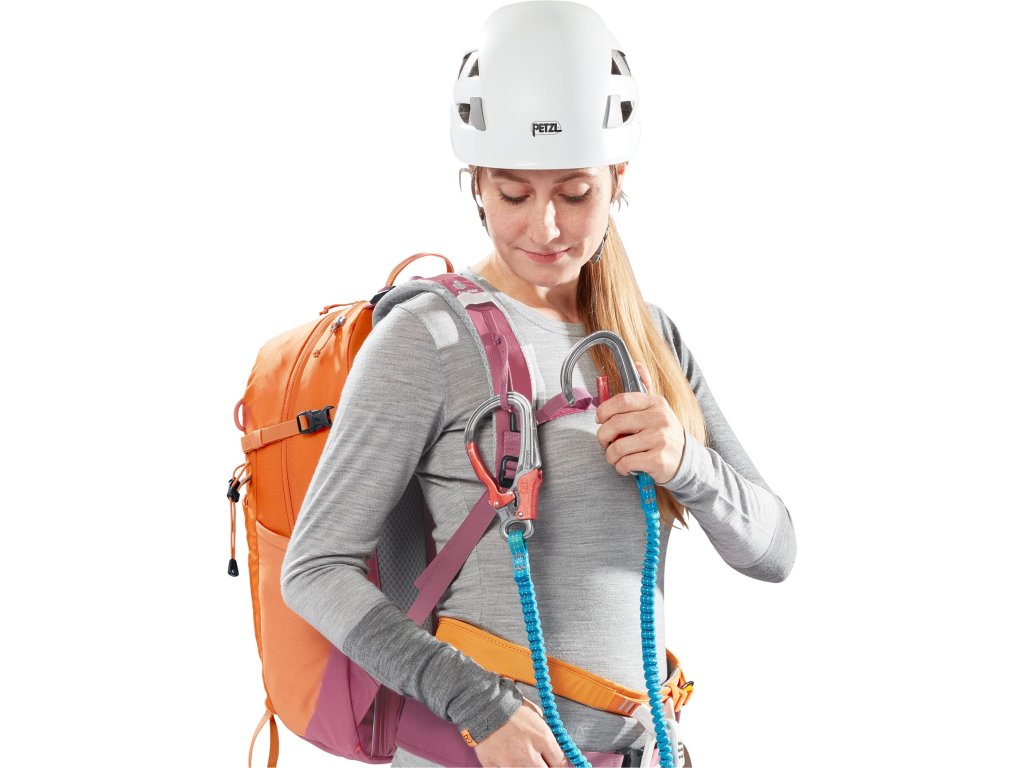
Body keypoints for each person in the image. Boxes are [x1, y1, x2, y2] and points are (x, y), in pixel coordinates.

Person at [280, 2, 797, 766]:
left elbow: (774, 551)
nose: (546, 228)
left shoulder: (650, 341)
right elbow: (315, 570)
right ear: (476, 184)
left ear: (618, 179)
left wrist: (685, 461)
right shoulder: (427, 337)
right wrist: (479, 706)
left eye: (575, 193)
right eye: (514, 194)